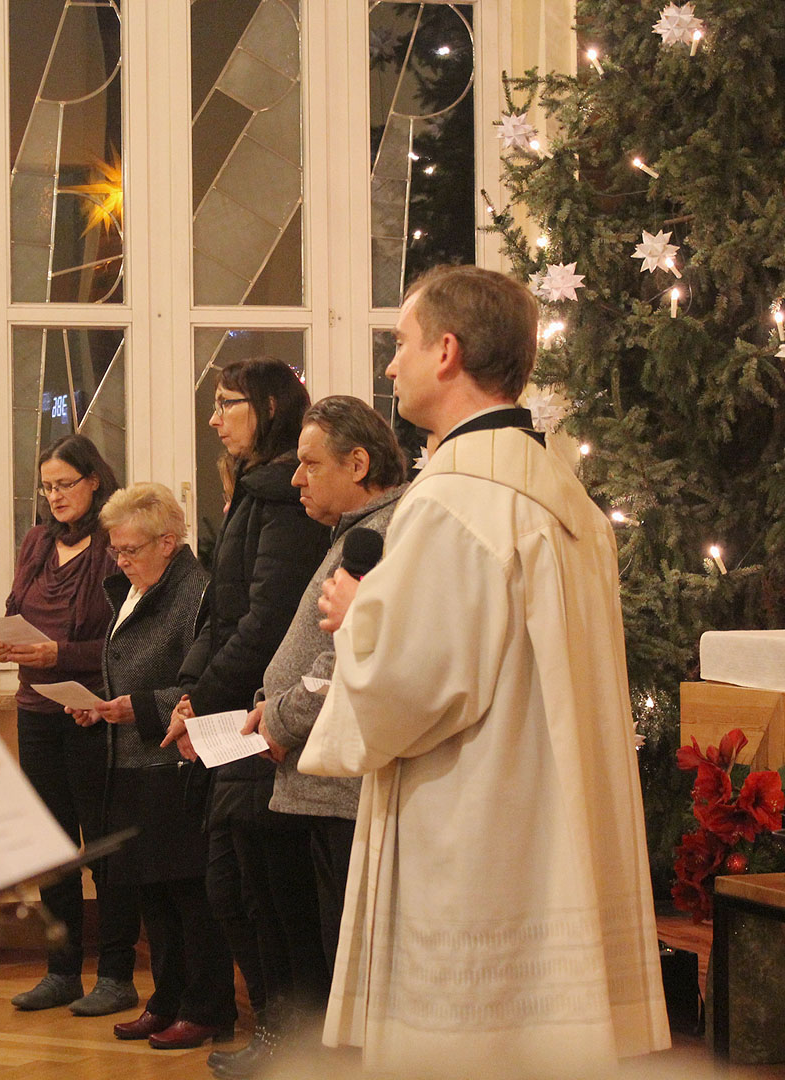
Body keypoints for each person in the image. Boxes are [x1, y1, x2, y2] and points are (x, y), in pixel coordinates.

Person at [299, 266, 670, 1078]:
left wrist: (357, 618)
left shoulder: (454, 501)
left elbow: (413, 687)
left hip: (473, 827)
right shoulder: (564, 496)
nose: (390, 364)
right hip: (551, 820)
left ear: (447, 352)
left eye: (401, 343)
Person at [209, 396, 407, 1080]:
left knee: (336, 954)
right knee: (305, 939)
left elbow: (345, 659)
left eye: (310, 464)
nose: (296, 479)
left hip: (337, 784)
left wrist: (281, 718)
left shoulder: (381, 537)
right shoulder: (356, 534)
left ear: (358, 464)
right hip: (310, 775)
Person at [161, 358, 331, 1065]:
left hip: (266, 717)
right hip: (234, 711)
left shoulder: (283, 499)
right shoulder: (255, 493)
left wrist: (205, 698)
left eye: (227, 402)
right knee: (234, 885)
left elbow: (268, 620)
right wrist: (190, 693)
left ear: (268, 407)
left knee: (265, 889)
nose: (214, 418)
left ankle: (290, 1042)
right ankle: (274, 1031)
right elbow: (219, 612)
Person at [70, 483, 238, 1050]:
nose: (120, 561)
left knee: (189, 896)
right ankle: (166, 1000)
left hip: (176, 764)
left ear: (168, 542)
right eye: (115, 550)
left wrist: (136, 708)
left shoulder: (196, 593)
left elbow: (207, 685)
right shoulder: (135, 590)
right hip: (133, 763)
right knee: (154, 896)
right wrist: (102, 708)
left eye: (130, 550)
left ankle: (207, 1007)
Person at [0, 434, 140, 1017]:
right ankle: (61, 971)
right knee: (50, 844)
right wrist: (5, 640)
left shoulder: (113, 544)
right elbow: (17, 606)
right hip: (36, 708)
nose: (54, 496)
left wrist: (61, 655)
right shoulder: (36, 542)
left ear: (94, 480)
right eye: (46, 486)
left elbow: (127, 638)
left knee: (101, 844)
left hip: (92, 710)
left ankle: (117, 974)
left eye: (65, 484)